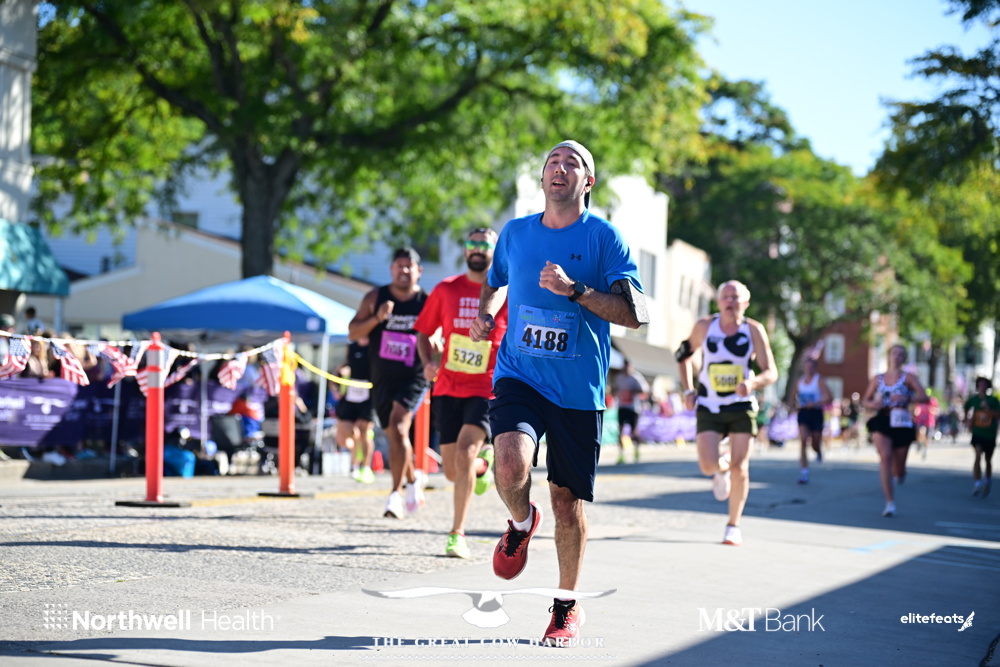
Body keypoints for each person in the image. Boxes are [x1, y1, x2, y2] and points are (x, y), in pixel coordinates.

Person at [470, 140, 648, 646]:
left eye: (573, 164)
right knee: (509, 464)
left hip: (577, 390)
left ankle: (567, 605)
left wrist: (576, 291)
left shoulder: (604, 238)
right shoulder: (516, 233)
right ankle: (521, 522)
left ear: (587, 182)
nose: (560, 168)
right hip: (520, 374)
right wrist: (486, 313)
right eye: (553, 161)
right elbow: (496, 282)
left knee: (566, 503)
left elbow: (636, 314)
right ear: (543, 176)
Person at [415, 228, 508, 559]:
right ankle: (483, 466)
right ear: (465, 250)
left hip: (486, 387)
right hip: (447, 387)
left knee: (466, 451)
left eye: (485, 244)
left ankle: (457, 533)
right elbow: (424, 333)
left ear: (495, 251)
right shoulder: (446, 289)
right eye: (472, 243)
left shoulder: (504, 292)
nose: (477, 249)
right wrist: (428, 363)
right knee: (453, 471)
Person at [677, 280, 778, 546]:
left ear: (746, 302)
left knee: (741, 468)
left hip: (741, 405)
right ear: (718, 301)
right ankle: (721, 467)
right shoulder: (704, 326)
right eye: (725, 297)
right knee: (707, 465)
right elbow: (682, 355)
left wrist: (753, 383)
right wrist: (688, 390)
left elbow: (771, 372)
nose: (730, 301)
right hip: (709, 404)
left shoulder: (753, 330)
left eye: (736, 297)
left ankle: (733, 525)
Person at [348, 247, 429, 519]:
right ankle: (413, 479)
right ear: (391, 269)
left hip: (414, 376)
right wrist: (377, 318)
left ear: (419, 271)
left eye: (409, 266)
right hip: (382, 378)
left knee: (399, 426)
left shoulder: (426, 301)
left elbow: (438, 336)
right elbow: (353, 332)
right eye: (399, 265)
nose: (404, 270)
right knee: (395, 434)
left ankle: (395, 494)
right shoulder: (375, 297)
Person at [861, 343, 929, 517]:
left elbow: (924, 397)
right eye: (894, 353)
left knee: (899, 469)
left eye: (900, 354)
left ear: (903, 358)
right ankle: (889, 503)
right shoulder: (878, 378)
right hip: (883, 419)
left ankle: (900, 474)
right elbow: (865, 400)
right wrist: (874, 404)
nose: (896, 356)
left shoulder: (909, 378)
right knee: (885, 457)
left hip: (901, 421)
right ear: (888, 356)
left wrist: (907, 397)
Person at [335, 339, 377, 484]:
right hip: (351, 394)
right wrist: (340, 374)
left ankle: (365, 467)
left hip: (369, 395)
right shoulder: (352, 347)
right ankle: (356, 457)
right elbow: (347, 364)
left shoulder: (375, 345)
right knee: (346, 432)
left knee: (365, 431)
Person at [794, 357, 833, 484]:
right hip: (803, 412)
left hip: (816, 412)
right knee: (803, 440)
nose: (808, 369)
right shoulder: (799, 381)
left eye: (811, 367)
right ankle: (804, 472)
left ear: (815, 368)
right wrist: (792, 406)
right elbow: (793, 397)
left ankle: (818, 450)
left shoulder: (819, 380)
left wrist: (814, 403)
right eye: (806, 366)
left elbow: (829, 397)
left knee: (815, 442)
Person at [963, 377, 999, 498]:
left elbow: (998, 414)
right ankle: (977, 483)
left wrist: (988, 409)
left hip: (990, 433)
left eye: (984, 384)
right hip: (977, 432)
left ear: (988, 386)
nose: (982, 386)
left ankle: (987, 481)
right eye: (980, 384)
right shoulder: (974, 399)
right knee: (978, 455)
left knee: (988, 459)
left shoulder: (993, 400)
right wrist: (967, 420)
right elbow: (966, 407)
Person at [613, 360, 649, 464]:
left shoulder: (636, 377)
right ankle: (621, 454)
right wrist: (617, 392)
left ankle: (636, 450)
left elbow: (645, 390)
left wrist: (632, 392)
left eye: (627, 367)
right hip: (622, 407)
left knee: (634, 432)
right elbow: (615, 389)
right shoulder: (619, 377)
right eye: (624, 367)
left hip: (633, 408)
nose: (626, 369)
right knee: (620, 431)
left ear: (631, 367)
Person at [913, 388, 939, 460]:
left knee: (927, 437)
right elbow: (916, 409)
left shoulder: (933, 401)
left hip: (929, 422)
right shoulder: (920, 401)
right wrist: (916, 412)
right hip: (920, 421)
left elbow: (937, 411)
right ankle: (918, 443)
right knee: (920, 432)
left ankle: (924, 449)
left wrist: (932, 410)